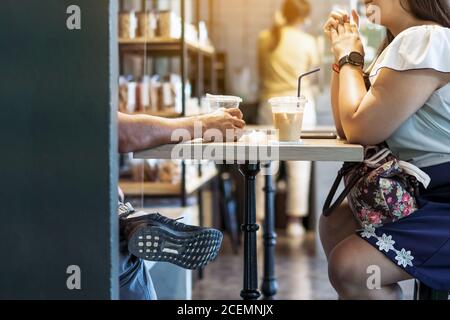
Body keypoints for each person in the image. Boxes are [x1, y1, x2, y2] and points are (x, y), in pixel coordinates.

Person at [320, 0, 450, 300]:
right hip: (426, 191)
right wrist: (342, 58)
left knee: (350, 267)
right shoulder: (400, 46)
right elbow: (347, 127)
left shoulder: (425, 39)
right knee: (336, 220)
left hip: (444, 197)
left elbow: (359, 129)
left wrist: (349, 57)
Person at [117, 109, 245, 300]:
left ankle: (131, 219)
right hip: (90, 231)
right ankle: (130, 220)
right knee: (124, 258)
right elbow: (123, 132)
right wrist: (203, 124)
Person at [257, 0, 320, 237]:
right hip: (299, 107)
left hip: (269, 106)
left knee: (265, 164)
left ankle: (260, 221)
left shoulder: (265, 38)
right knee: (299, 164)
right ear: (304, 17)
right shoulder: (308, 42)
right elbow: (312, 78)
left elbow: (261, 73)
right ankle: (294, 222)